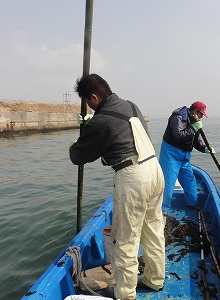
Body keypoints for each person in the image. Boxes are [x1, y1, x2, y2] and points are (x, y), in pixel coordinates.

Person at [69, 74, 165, 300]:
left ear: (93, 97)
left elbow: (78, 156)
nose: (90, 109)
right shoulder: (131, 105)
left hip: (133, 178)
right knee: (153, 231)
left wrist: (83, 132)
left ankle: (125, 295)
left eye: (88, 102)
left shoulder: (100, 122)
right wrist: (90, 127)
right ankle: (155, 280)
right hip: (154, 168)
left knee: (125, 241)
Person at [159, 101, 214, 214]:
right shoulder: (178, 117)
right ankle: (163, 210)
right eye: (201, 114)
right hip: (170, 155)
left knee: (190, 181)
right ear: (195, 111)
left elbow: (196, 141)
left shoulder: (195, 121)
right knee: (168, 184)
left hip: (185, 157)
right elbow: (179, 136)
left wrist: (204, 148)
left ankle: (191, 204)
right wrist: (193, 129)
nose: (202, 117)